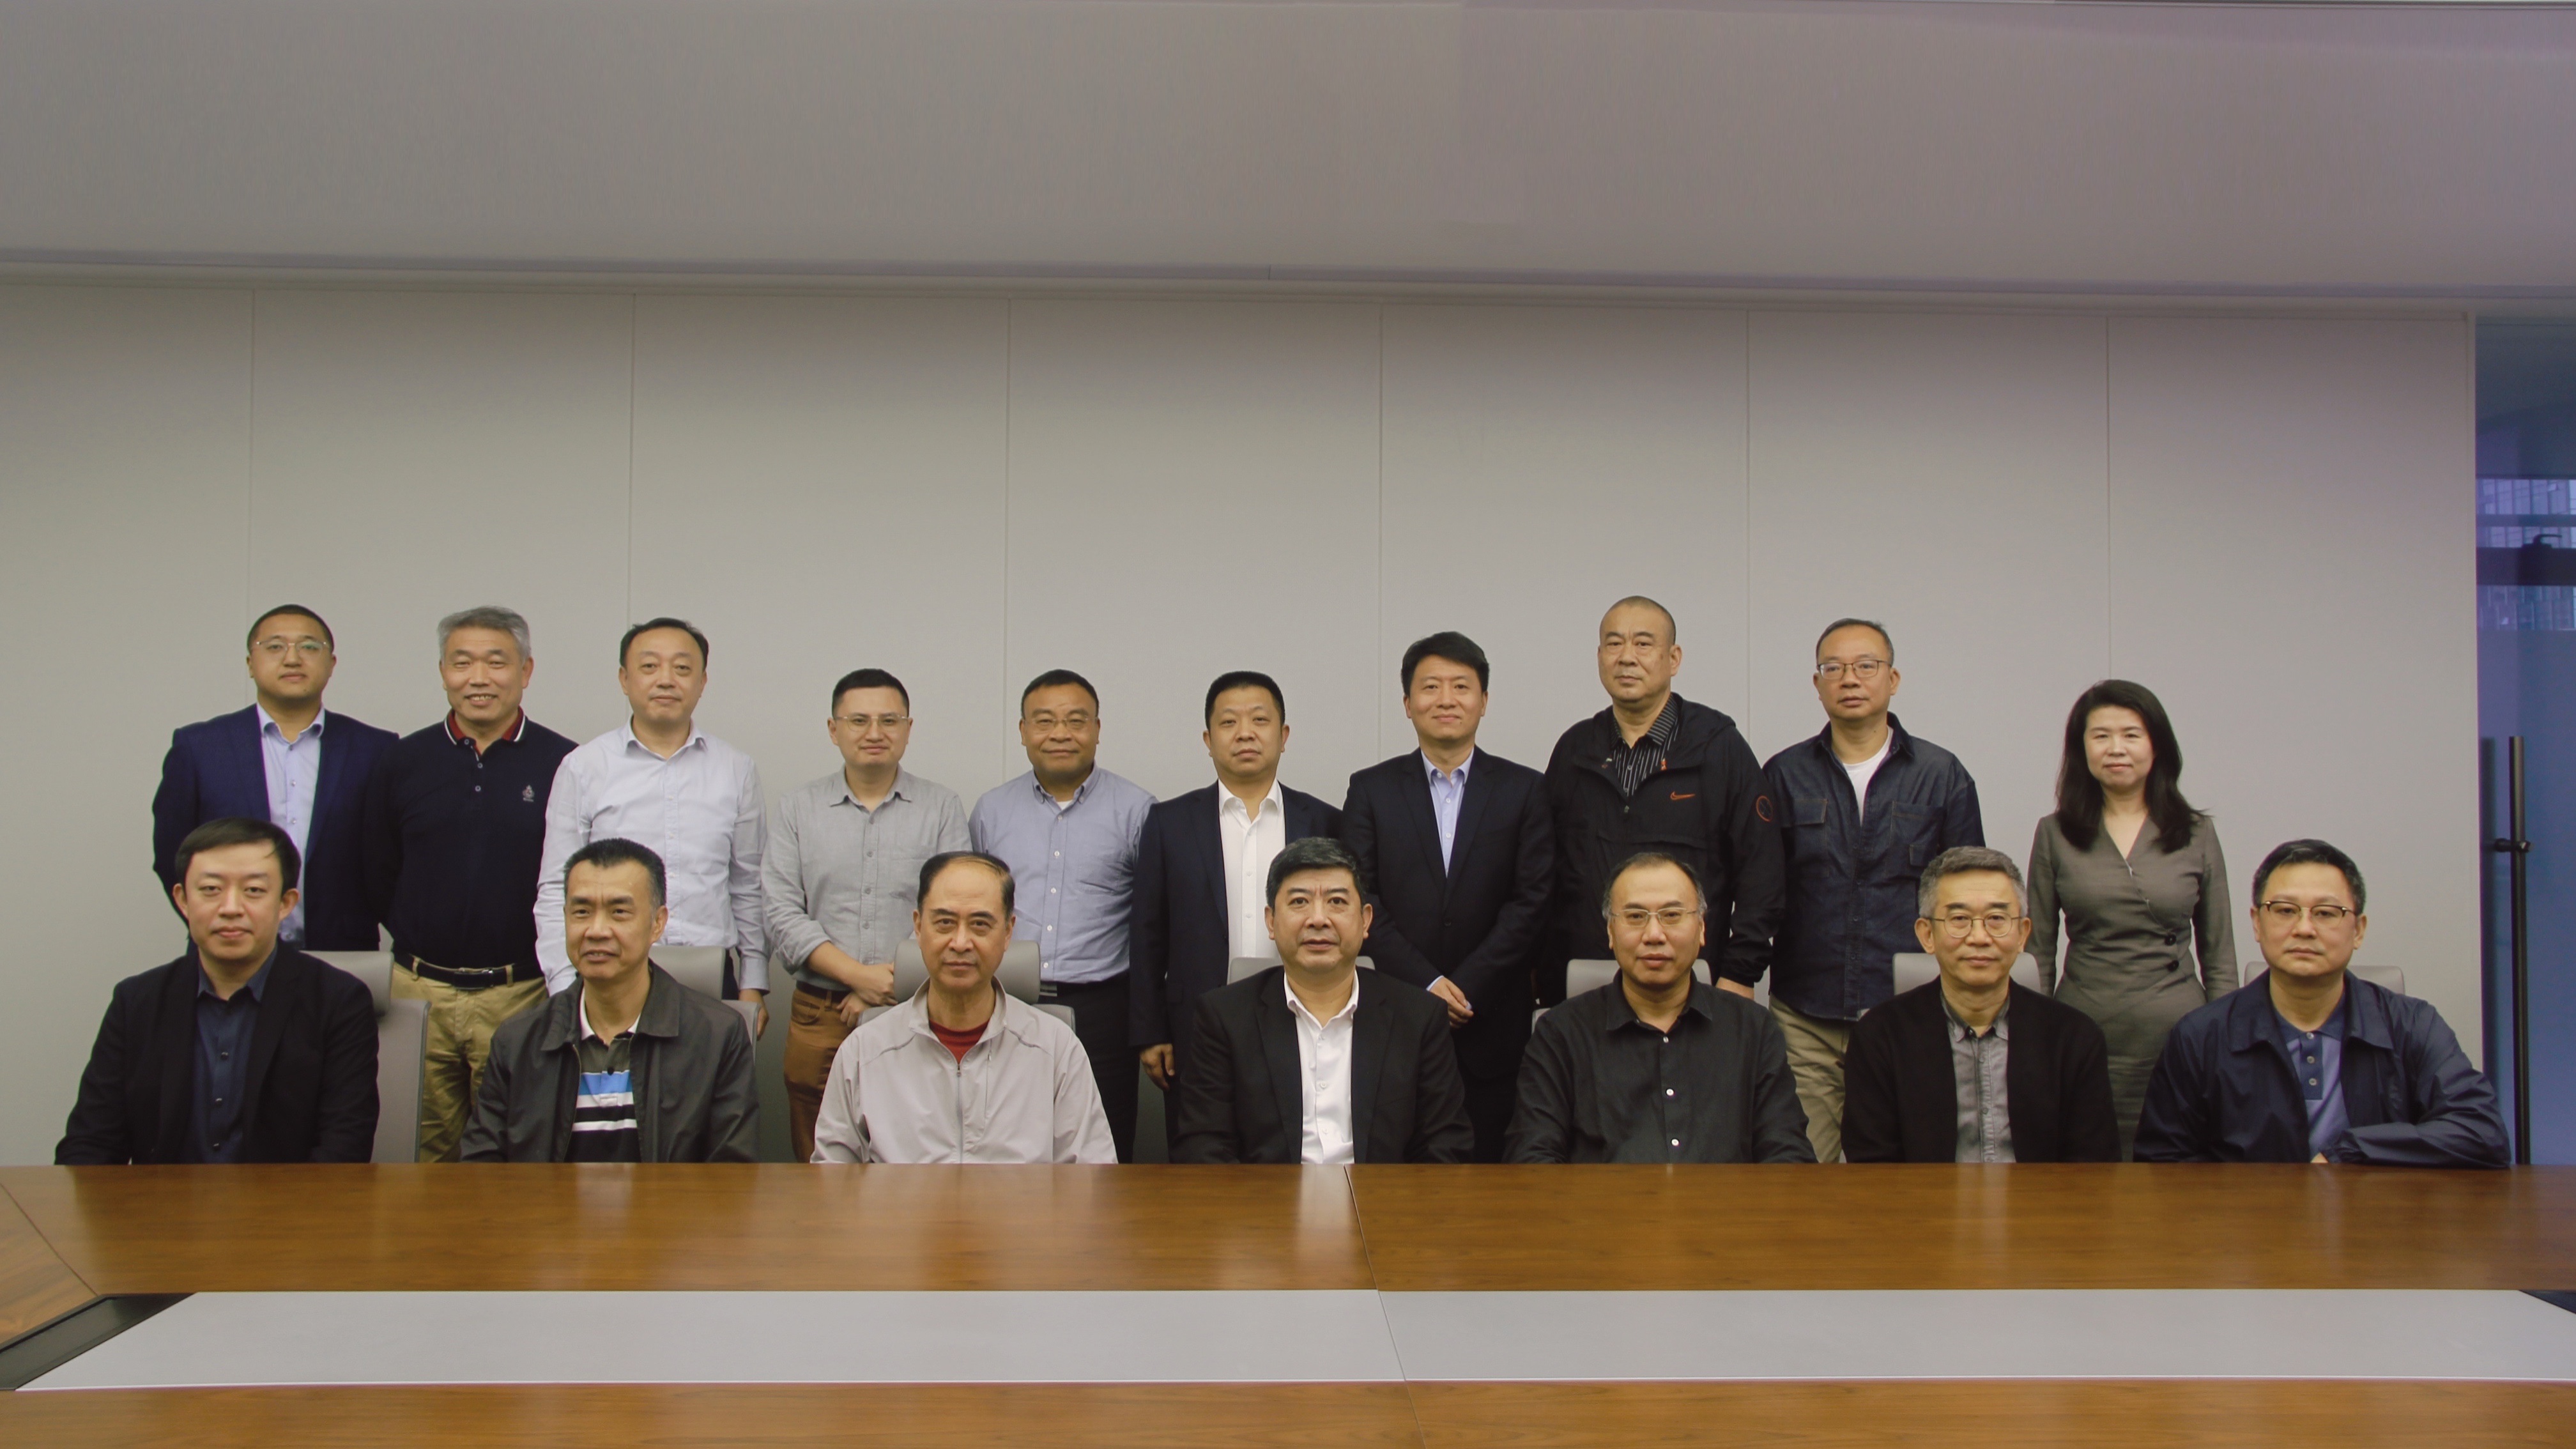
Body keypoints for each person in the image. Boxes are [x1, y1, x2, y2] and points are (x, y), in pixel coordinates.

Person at [2135, 840, 2508, 1168]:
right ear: (2257, 923)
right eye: (2285, 910)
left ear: (2358, 930)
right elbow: (2162, 1164)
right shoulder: (2201, 1036)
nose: (2304, 928)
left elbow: (2482, 1132)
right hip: (2248, 1224)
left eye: (2326, 913)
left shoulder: (2412, 1026)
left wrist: (2353, 1150)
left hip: (2377, 1221)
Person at [1761, 618, 1984, 1163]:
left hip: (1911, 1014)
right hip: (1806, 1016)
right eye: (1833, 668)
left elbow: (1968, 896)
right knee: (1804, 1172)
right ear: (1817, 684)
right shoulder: (1784, 774)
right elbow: (1761, 888)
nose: (1850, 679)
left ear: (1893, 679)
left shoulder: (1941, 775)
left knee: (1908, 1174)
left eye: (1866, 666)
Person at [358, 606, 576, 1162]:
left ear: (526, 671)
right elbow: (376, 870)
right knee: (420, 1151)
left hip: (522, 993)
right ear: (442, 672)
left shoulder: (565, 763)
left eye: (496, 662)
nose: (479, 678)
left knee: (518, 1149)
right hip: (417, 992)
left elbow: (575, 879)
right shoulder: (402, 761)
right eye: (462, 663)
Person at [1337, 632, 1552, 1161]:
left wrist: (1467, 986)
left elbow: (1533, 900)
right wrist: (1426, 984)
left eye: (1461, 686)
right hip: (1394, 1014)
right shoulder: (1371, 790)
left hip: (1492, 1019)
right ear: (1408, 703)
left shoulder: (1525, 790)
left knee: (1489, 1177)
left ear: (1484, 700)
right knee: (1393, 1172)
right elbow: (1360, 898)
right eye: (1430, 687)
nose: (1446, 699)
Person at [59, 818, 378, 1164]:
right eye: (211, 889)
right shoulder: (137, 1001)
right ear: (183, 900)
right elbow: (90, 1144)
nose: (230, 908)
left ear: (285, 903)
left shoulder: (338, 1001)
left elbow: (344, 1149)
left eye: (253, 890)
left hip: (288, 1199)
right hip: (161, 1199)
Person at [765, 668, 970, 1162]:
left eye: (889, 720)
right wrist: (859, 977)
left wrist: (890, 985)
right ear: (833, 729)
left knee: (918, 1142)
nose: (874, 732)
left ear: (908, 729)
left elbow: (954, 910)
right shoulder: (797, 809)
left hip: (918, 1007)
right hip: (822, 1011)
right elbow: (780, 911)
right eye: (858, 720)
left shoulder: (941, 808)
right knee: (819, 1154)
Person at [2027, 679, 2236, 1158]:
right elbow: (2037, 953)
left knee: (2175, 1173)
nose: (2116, 748)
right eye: (2101, 736)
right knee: (2086, 1173)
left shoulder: (2197, 833)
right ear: (2081, 748)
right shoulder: (2055, 833)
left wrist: (2223, 1042)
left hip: (2178, 1034)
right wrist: (2034, 1042)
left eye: (2131, 735)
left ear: (2157, 745)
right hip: (2082, 1032)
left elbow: (2220, 956)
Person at [1170, 837, 1473, 1164]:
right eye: (1299, 902)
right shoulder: (1224, 1017)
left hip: (1383, 1196)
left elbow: (1446, 1146)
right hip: (1266, 1196)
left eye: (1337, 902)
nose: (1318, 919)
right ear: (1271, 921)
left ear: (1366, 920)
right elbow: (1203, 1147)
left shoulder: (1419, 1017)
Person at [1543, 597, 1783, 1007]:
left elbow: (1762, 870)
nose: (1627, 658)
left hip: (1692, 981)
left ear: (1673, 659)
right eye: (1614, 644)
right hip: (1586, 982)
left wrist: (1740, 972)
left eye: (1643, 644)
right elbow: (1544, 872)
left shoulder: (1718, 747)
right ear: (1599, 657)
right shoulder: (1576, 749)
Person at [533, 618, 769, 1034]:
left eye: (682, 668)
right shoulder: (584, 767)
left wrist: (752, 983)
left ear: (702, 682)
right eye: (649, 667)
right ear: (624, 679)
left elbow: (748, 885)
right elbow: (556, 888)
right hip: (609, 973)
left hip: (709, 975)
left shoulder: (736, 769)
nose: (666, 680)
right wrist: (565, 987)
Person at [461, 839, 759, 1162]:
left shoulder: (718, 1038)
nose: (597, 930)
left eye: (619, 912)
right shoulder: (518, 1042)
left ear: (657, 923)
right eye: (582, 912)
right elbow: (482, 1170)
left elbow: (732, 1176)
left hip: (672, 1200)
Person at [810, 852, 1116, 1163]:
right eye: (945, 923)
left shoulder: (1056, 1049)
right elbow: (832, 1180)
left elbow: (1091, 1176)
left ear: (1008, 932)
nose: (960, 943)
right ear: (918, 927)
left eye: (980, 925)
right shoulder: (864, 1052)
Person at [1507, 852, 1813, 1164]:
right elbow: (1532, 1160)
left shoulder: (1753, 1030)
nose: (1654, 935)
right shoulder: (1560, 1034)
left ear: (1702, 928)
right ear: (1611, 932)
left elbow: (1788, 1158)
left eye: (1672, 915)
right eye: (1635, 917)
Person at [1131, 671, 1341, 1121]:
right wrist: (1151, 1030)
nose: (1245, 733)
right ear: (1208, 740)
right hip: (1196, 1020)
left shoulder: (1325, 821)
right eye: (1229, 722)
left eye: (1260, 720)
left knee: (1298, 1139)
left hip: (1304, 1015)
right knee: (1201, 1146)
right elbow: (1147, 932)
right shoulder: (1169, 823)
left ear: (1284, 736)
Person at [969, 670, 1154, 1162]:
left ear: (1097, 728)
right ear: (1023, 730)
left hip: (1104, 1009)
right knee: (1004, 1141)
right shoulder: (991, 811)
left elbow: (1154, 921)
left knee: (1103, 1148)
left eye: (1076, 720)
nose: (1060, 734)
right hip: (1007, 1001)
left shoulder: (1138, 810)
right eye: (1045, 721)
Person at [1841, 848, 2118, 1164]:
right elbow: (1874, 1171)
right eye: (1959, 919)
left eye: (1996, 919)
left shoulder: (2074, 1038)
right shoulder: (1880, 1038)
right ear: (1927, 935)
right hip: (1920, 1199)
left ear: (2022, 934)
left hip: (2043, 1199)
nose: (1979, 937)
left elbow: (2093, 1170)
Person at [152, 604, 397, 952]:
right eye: (275, 646)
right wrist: (216, 925)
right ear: (250, 664)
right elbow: (172, 855)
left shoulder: (376, 749)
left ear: (331, 664)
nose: (292, 659)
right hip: (230, 952)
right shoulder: (199, 747)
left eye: (309, 646)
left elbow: (390, 858)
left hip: (342, 952)